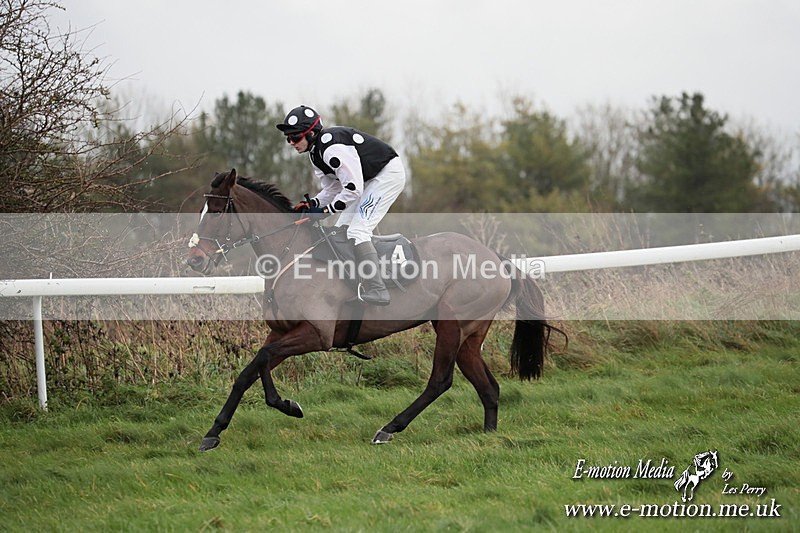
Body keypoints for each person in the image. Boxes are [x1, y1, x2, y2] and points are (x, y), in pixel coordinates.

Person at [277, 105, 406, 306]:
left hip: (386, 175)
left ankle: (377, 288)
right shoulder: (315, 154)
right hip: (367, 181)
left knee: (357, 232)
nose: (291, 143)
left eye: (295, 137)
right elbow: (332, 190)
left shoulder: (331, 148)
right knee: (339, 232)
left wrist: (326, 211)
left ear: (311, 133)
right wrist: (313, 204)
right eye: (288, 139)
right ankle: (354, 283)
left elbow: (353, 189)